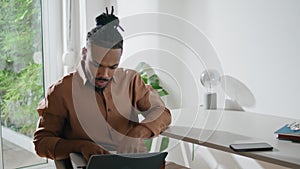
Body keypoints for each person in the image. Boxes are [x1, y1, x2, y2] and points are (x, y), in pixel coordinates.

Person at [33, 7, 171, 168]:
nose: (104, 74)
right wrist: (81, 146)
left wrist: (138, 133)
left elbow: (162, 112)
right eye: (97, 64)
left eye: (113, 67)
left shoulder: (131, 80)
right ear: (84, 53)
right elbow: (41, 143)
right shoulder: (61, 91)